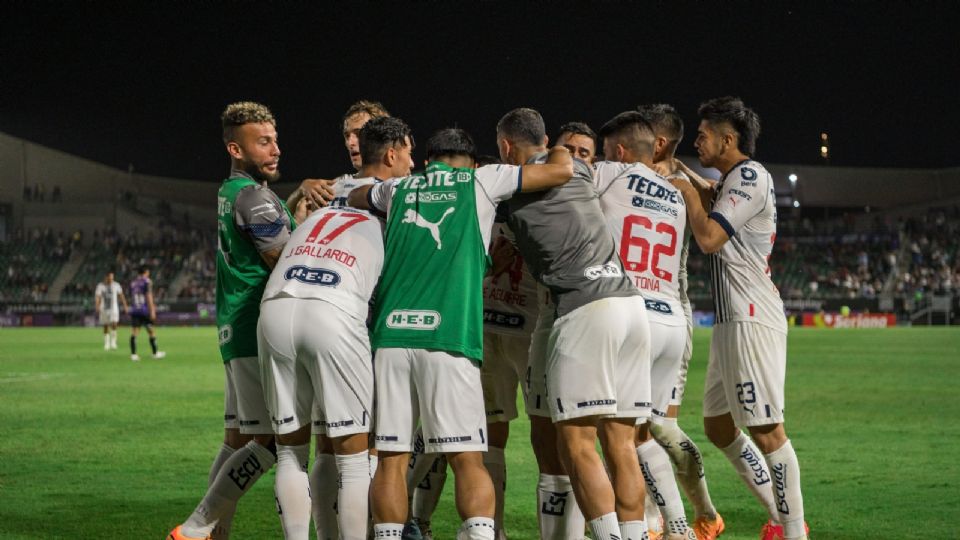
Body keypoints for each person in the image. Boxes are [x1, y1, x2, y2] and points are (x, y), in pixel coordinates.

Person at [348, 127, 573, 540]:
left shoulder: (400, 188)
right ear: (471, 160)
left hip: (391, 338)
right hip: (447, 336)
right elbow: (560, 172)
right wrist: (555, 146)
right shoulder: (482, 180)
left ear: (430, 159)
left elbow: (356, 196)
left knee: (391, 460)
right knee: (467, 457)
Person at [497, 108, 651, 540]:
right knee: (621, 444)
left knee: (577, 444)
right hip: (629, 303)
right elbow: (565, 162)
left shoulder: (509, 185)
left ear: (507, 147)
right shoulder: (580, 169)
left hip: (583, 308)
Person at [667, 96, 809, 540]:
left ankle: (793, 532)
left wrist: (687, 189)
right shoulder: (733, 180)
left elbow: (709, 237)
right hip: (732, 322)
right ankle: (778, 515)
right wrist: (681, 172)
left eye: (703, 135)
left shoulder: (749, 175)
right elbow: (711, 193)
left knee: (768, 432)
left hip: (751, 316)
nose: (697, 141)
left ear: (729, 139)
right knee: (718, 424)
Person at [168, 101, 302, 540]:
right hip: (251, 326)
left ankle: (215, 533)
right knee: (267, 445)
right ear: (236, 148)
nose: (275, 149)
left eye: (275, 139)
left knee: (235, 439)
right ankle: (195, 528)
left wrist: (296, 203)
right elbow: (281, 258)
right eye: (263, 142)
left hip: (232, 324)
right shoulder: (254, 196)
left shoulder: (231, 193)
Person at [592, 111, 697, 540]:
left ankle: (659, 525)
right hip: (671, 318)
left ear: (618, 151)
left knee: (615, 435)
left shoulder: (610, 174)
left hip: (631, 316)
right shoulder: (674, 193)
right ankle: (668, 525)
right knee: (642, 432)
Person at [258, 198, 387, 540]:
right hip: (334, 311)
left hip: (275, 307)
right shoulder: (386, 218)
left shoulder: (319, 212)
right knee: (354, 460)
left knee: (290, 452)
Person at [635, 103, 724, 540]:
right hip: (642, 313)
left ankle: (701, 514)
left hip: (671, 308)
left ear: (659, 142)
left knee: (657, 425)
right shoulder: (678, 175)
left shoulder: (677, 182)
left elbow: (709, 201)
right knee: (637, 424)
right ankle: (656, 522)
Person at [129, 265, 165, 360]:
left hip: (135, 310)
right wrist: (152, 310)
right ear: (145, 272)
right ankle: (155, 353)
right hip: (144, 310)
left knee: (134, 332)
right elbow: (148, 296)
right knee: (151, 331)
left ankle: (133, 354)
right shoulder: (147, 281)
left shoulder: (133, 283)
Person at [94, 271, 127, 352]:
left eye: (112, 277)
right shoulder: (100, 286)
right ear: (106, 277)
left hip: (114, 308)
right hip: (104, 308)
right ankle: (107, 343)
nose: (111, 279)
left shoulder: (116, 285)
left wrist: (125, 305)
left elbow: (121, 295)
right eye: (110, 277)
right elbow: (98, 296)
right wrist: (97, 306)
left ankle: (113, 342)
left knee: (114, 324)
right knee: (105, 325)